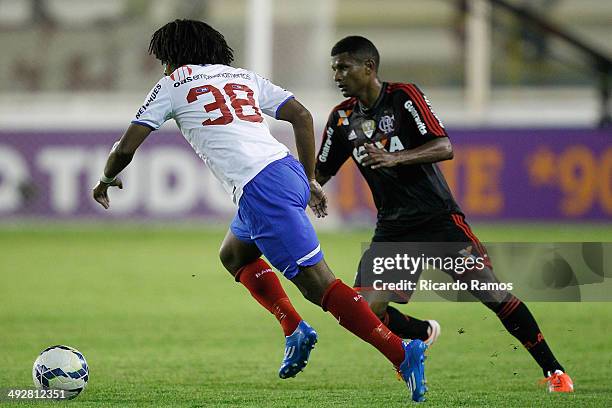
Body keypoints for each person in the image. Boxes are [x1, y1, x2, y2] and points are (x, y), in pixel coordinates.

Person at [92, 20, 428, 402]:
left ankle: (402, 351)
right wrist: (309, 180)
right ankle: (294, 328)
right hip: (281, 173)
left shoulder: (172, 85)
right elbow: (301, 116)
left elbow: (125, 148)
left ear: (173, 55)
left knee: (321, 287)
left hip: (261, 188)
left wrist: (105, 180)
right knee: (233, 254)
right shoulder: (241, 76)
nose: (162, 68)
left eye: (163, 59)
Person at [315, 35, 573, 393]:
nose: (337, 75)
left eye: (343, 67)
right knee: (365, 310)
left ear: (368, 67)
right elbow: (321, 171)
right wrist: (310, 189)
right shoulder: (343, 118)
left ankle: (555, 372)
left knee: (492, 295)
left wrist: (394, 158)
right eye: (334, 69)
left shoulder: (402, 97)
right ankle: (421, 333)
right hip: (393, 229)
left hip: (438, 220)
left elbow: (444, 146)